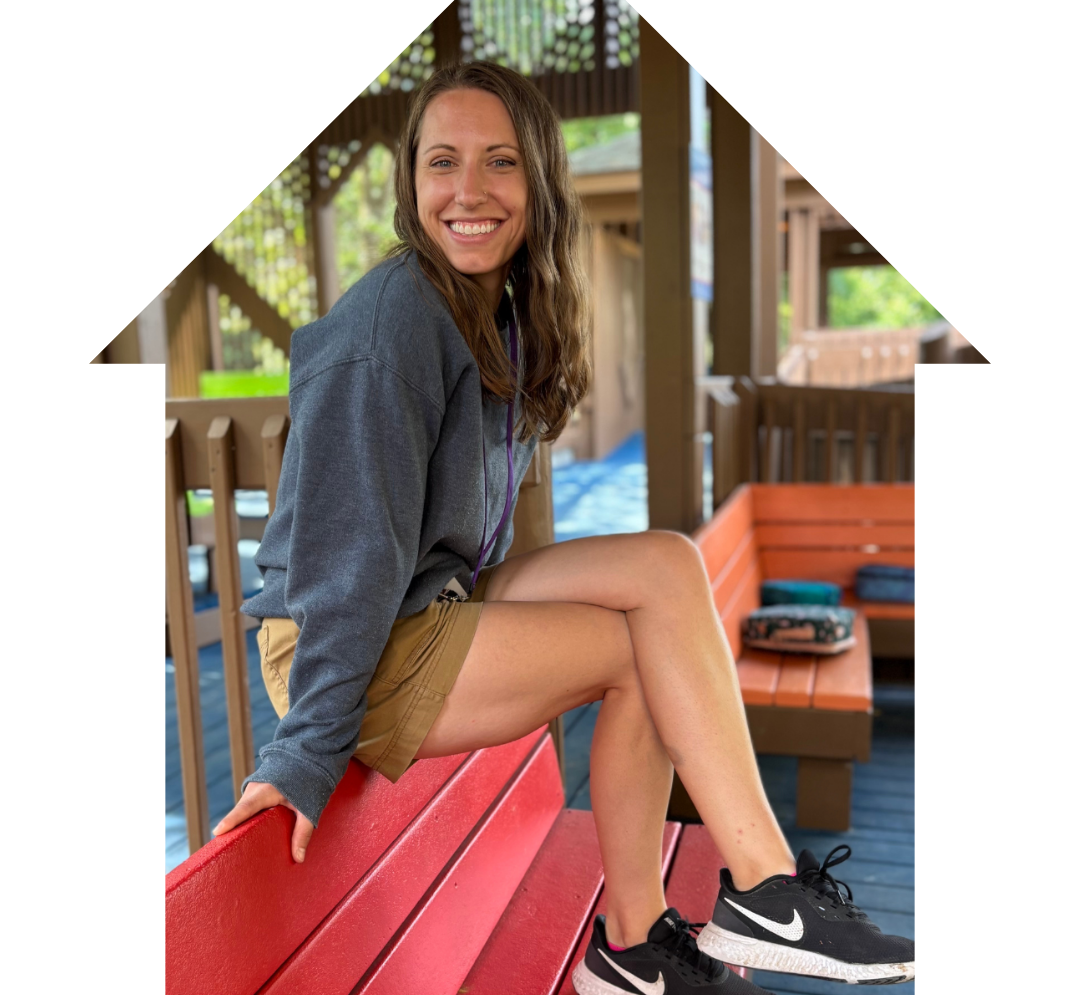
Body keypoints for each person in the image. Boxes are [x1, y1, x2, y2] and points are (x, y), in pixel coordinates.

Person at [212, 60, 915, 992]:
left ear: (538, 182)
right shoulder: (389, 329)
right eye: (442, 163)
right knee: (634, 655)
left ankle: (668, 930)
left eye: (499, 163)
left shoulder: (493, 312)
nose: (468, 191)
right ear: (409, 183)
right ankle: (747, 897)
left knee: (665, 567)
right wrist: (303, 752)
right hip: (346, 637)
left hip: (423, 595)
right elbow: (350, 558)